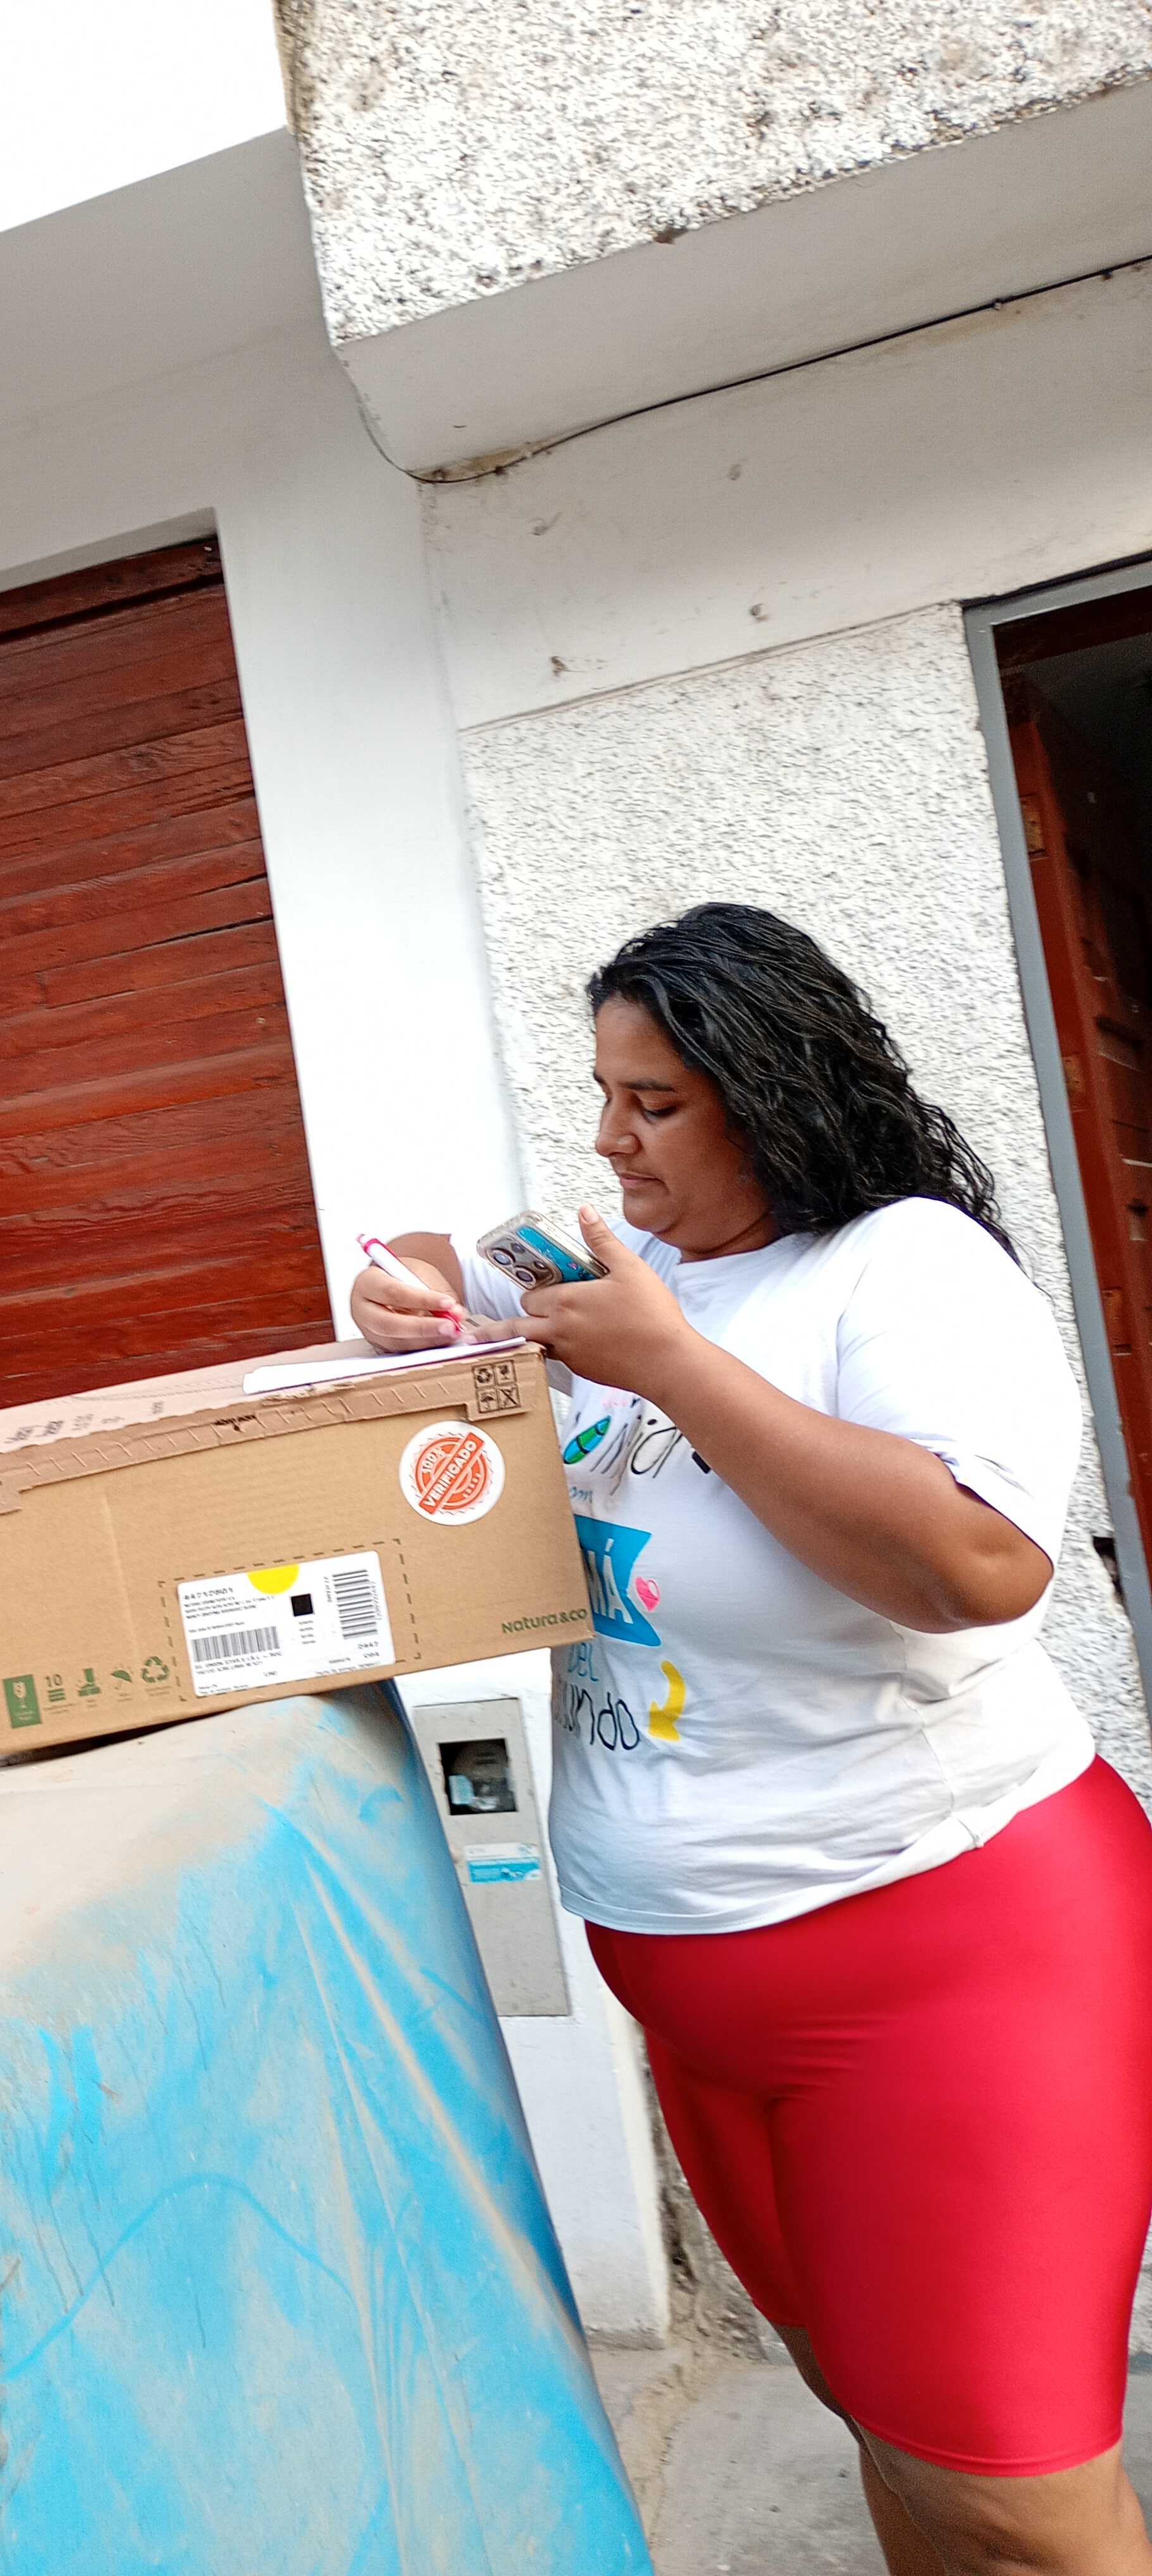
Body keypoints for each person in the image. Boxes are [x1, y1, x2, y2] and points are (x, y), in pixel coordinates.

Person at [353, 903, 1152, 2576]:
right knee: (884, 2426)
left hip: (943, 1954)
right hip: (699, 1989)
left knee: (1015, 2505)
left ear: (771, 1093)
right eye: (602, 1093)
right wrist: (398, 1290)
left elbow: (978, 1568)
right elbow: (424, 1259)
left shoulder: (902, 1267)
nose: (608, 1138)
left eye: (653, 1103)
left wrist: (673, 1369)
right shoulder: (615, 1276)